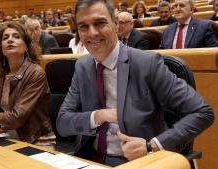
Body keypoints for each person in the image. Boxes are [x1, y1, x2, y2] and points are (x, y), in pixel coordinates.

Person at [56, 0, 214, 167]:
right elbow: (63, 123)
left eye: (100, 23)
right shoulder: (82, 66)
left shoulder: (147, 63)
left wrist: (151, 146)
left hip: (139, 162)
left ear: (115, 24)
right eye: (83, 27)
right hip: (90, 159)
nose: (92, 33)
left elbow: (202, 112)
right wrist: (99, 116)